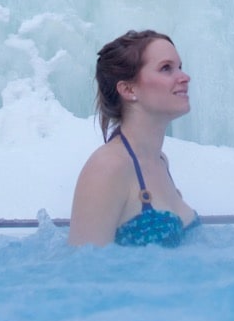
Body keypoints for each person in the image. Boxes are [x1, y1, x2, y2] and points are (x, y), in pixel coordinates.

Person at [68, 29, 199, 248]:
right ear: (128, 89)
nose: (184, 77)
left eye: (180, 67)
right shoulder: (108, 167)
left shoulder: (160, 161)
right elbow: (82, 270)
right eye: (166, 68)